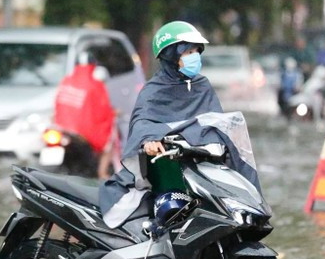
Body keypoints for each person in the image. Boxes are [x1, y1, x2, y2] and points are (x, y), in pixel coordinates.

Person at [99, 20, 262, 228]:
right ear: (171, 55)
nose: (195, 57)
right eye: (188, 52)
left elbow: (216, 124)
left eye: (197, 51)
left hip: (204, 168)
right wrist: (149, 140)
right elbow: (143, 122)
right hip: (169, 171)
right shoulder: (154, 90)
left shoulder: (203, 87)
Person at [53, 53, 116, 178]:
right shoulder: (95, 85)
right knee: (110, 142)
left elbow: (58, 104)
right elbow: (103, 110)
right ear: (93, 66)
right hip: (84, 133)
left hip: (61, 128)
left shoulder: (66, 81)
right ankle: (102, 173)